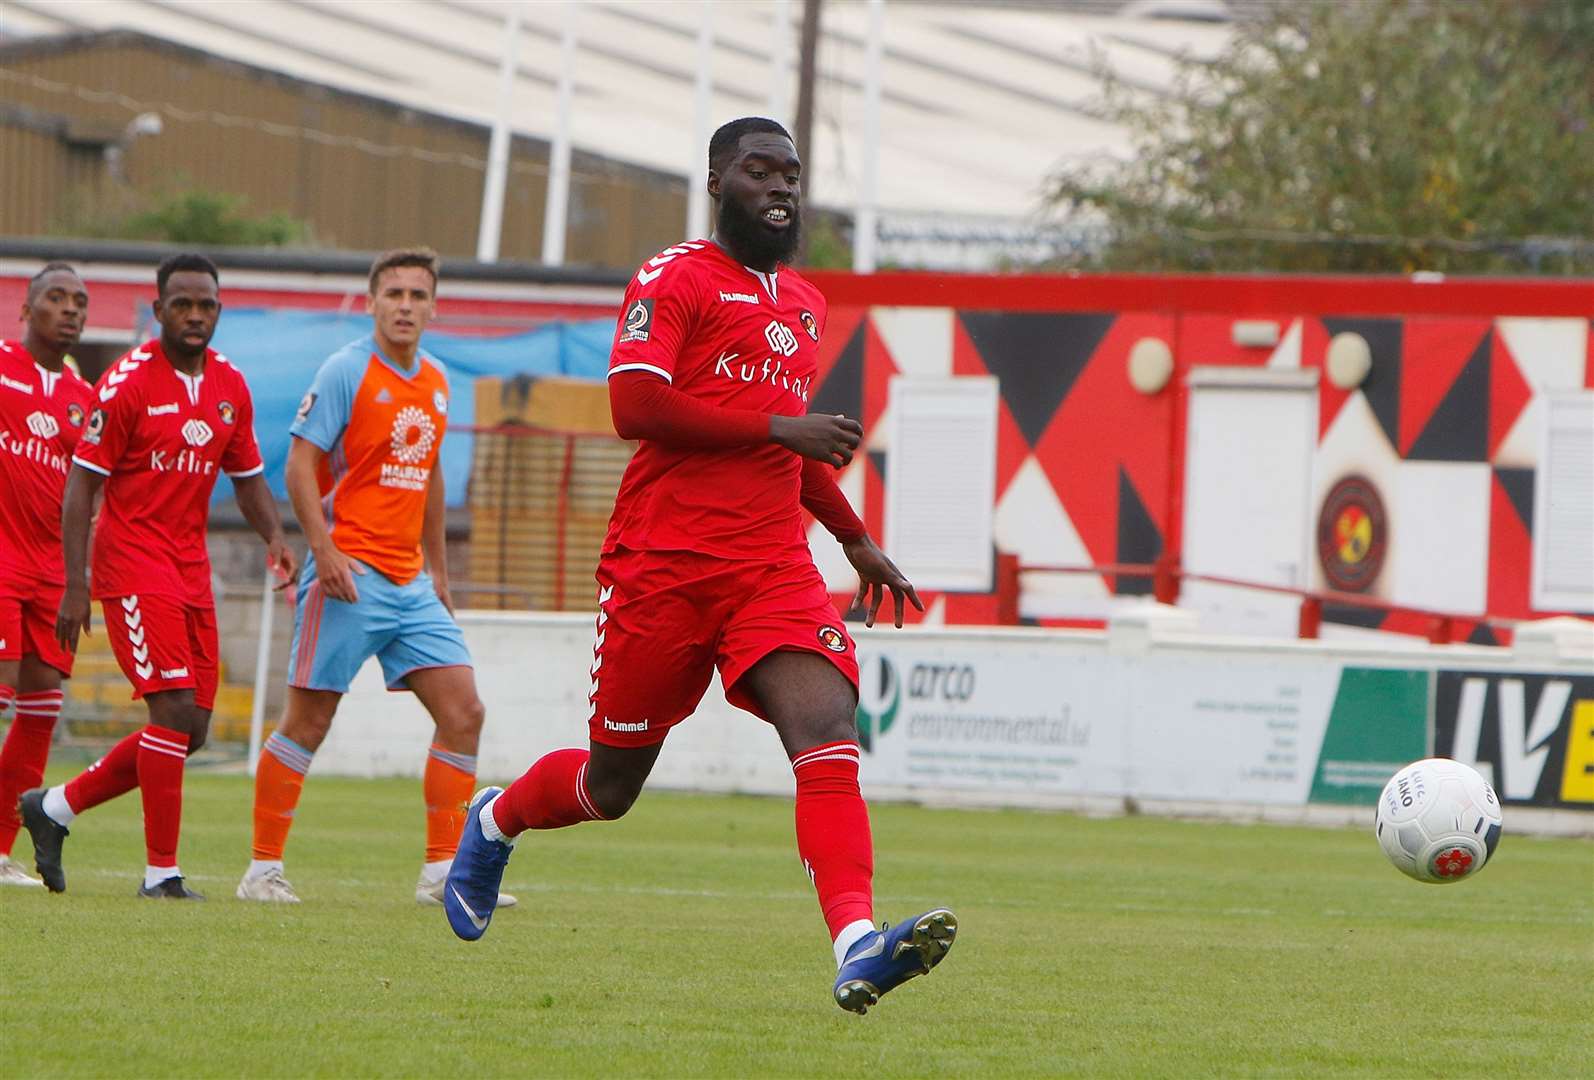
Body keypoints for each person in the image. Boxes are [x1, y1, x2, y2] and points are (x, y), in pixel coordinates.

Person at [442, 118, 957, 1014]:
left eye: (791, 173)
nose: (780, 187)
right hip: (661, 568)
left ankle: (859, 942)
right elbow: (634, 405)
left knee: (827, 731)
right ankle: (494, 821)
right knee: (610, 787)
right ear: (717, 179)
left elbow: (785, 451)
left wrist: (851, 537)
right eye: (760, 171)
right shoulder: (673, 275)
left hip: (769, 568)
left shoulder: (802, 301)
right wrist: (777, 428)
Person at [235, 248, 512, 910]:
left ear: (434, 306)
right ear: (372, 303)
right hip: (348, 572)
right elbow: (301, 465)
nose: (406, 305)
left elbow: (433, 473)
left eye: (419, 294)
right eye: (394, 293)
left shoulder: (439, 380)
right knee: (309, 720)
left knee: (464, 712)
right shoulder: (346, 370)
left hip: (411, 581)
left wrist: (440, 571)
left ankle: (442, 871)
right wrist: (322, 550)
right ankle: (261, 870)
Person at [19, 253, 296, 899]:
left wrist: (278, 539)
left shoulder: (230, 385)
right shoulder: (126, 383)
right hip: (131, 566)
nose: (195, 316)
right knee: (170, 711)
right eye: (182, 305)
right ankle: (160, 875)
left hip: (191, 570)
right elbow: (81, 485)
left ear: (218, 311)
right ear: (159, 310)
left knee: (192, 729)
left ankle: (55, 807)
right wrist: (76, 582)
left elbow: (249, 477)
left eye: (206, 306)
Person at [0, 264, 95, 887]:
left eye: (79, 302)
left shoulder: (85, 399)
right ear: (26, 309)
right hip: (2, 564)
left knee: (40, 712)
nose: (70, 309)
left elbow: (89, 496)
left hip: (52, 576)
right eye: (56, 298)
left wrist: (78, 577)